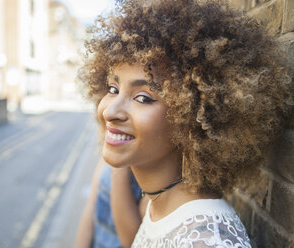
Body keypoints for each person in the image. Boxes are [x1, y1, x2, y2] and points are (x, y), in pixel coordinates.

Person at [78, 0, 293, 247]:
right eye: (113, 88)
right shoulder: (161, 208)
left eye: (143, 98)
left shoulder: (204, 239)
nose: (111, 111)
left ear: (193, 118)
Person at [75, 160, 147, 248]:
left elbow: (132, 243)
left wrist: (120, 168)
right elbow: (92, 205)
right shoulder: (111, 154)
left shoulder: (151, 185)